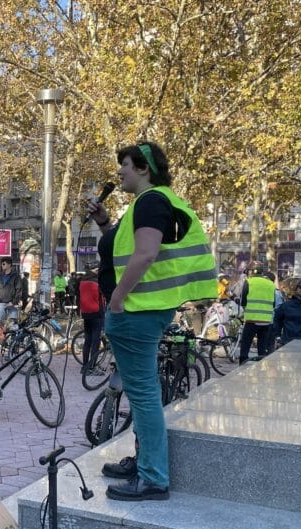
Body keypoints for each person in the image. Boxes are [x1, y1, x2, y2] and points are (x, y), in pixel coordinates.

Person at [86, 141, 217, 501]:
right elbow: (122, 248)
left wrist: (117, 298)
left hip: (135, 311)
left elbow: (145, 254)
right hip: (141, 310)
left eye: (125, 165)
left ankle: (153, 477)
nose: (120, 172)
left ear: (144, 168)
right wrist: (103, 223)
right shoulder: (148, 204)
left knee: (143, 396)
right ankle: (144, 460)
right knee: (143, 392)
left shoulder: (150, 202)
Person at [238, 265, 278, 364]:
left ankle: (242, 366)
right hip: (266, 321)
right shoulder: (270, 284)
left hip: (251, 320)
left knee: (245, 345)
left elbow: (243, 301)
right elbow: (273, 303)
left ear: (251, 272)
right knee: (262, 348)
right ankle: (261, 368)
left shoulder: (249, 281)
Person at [78, 266, 104, 376]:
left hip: (85, 314)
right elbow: (102, 298)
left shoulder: (82, 282)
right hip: (96, 314)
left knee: (87, 341)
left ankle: (84, 366)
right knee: (95, 342)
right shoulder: (97, 283)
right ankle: (92, 367)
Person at [0, 258, 21, 328]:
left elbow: (19, 289)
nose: (2, 266)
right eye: (2, 264)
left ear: (9, 265)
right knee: (0, 324)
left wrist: (14, 302)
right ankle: (3, 338)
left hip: (12, 303)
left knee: (13, 324)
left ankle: (13, 338)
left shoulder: (16, 276)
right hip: (1, 303)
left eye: (4, 264)